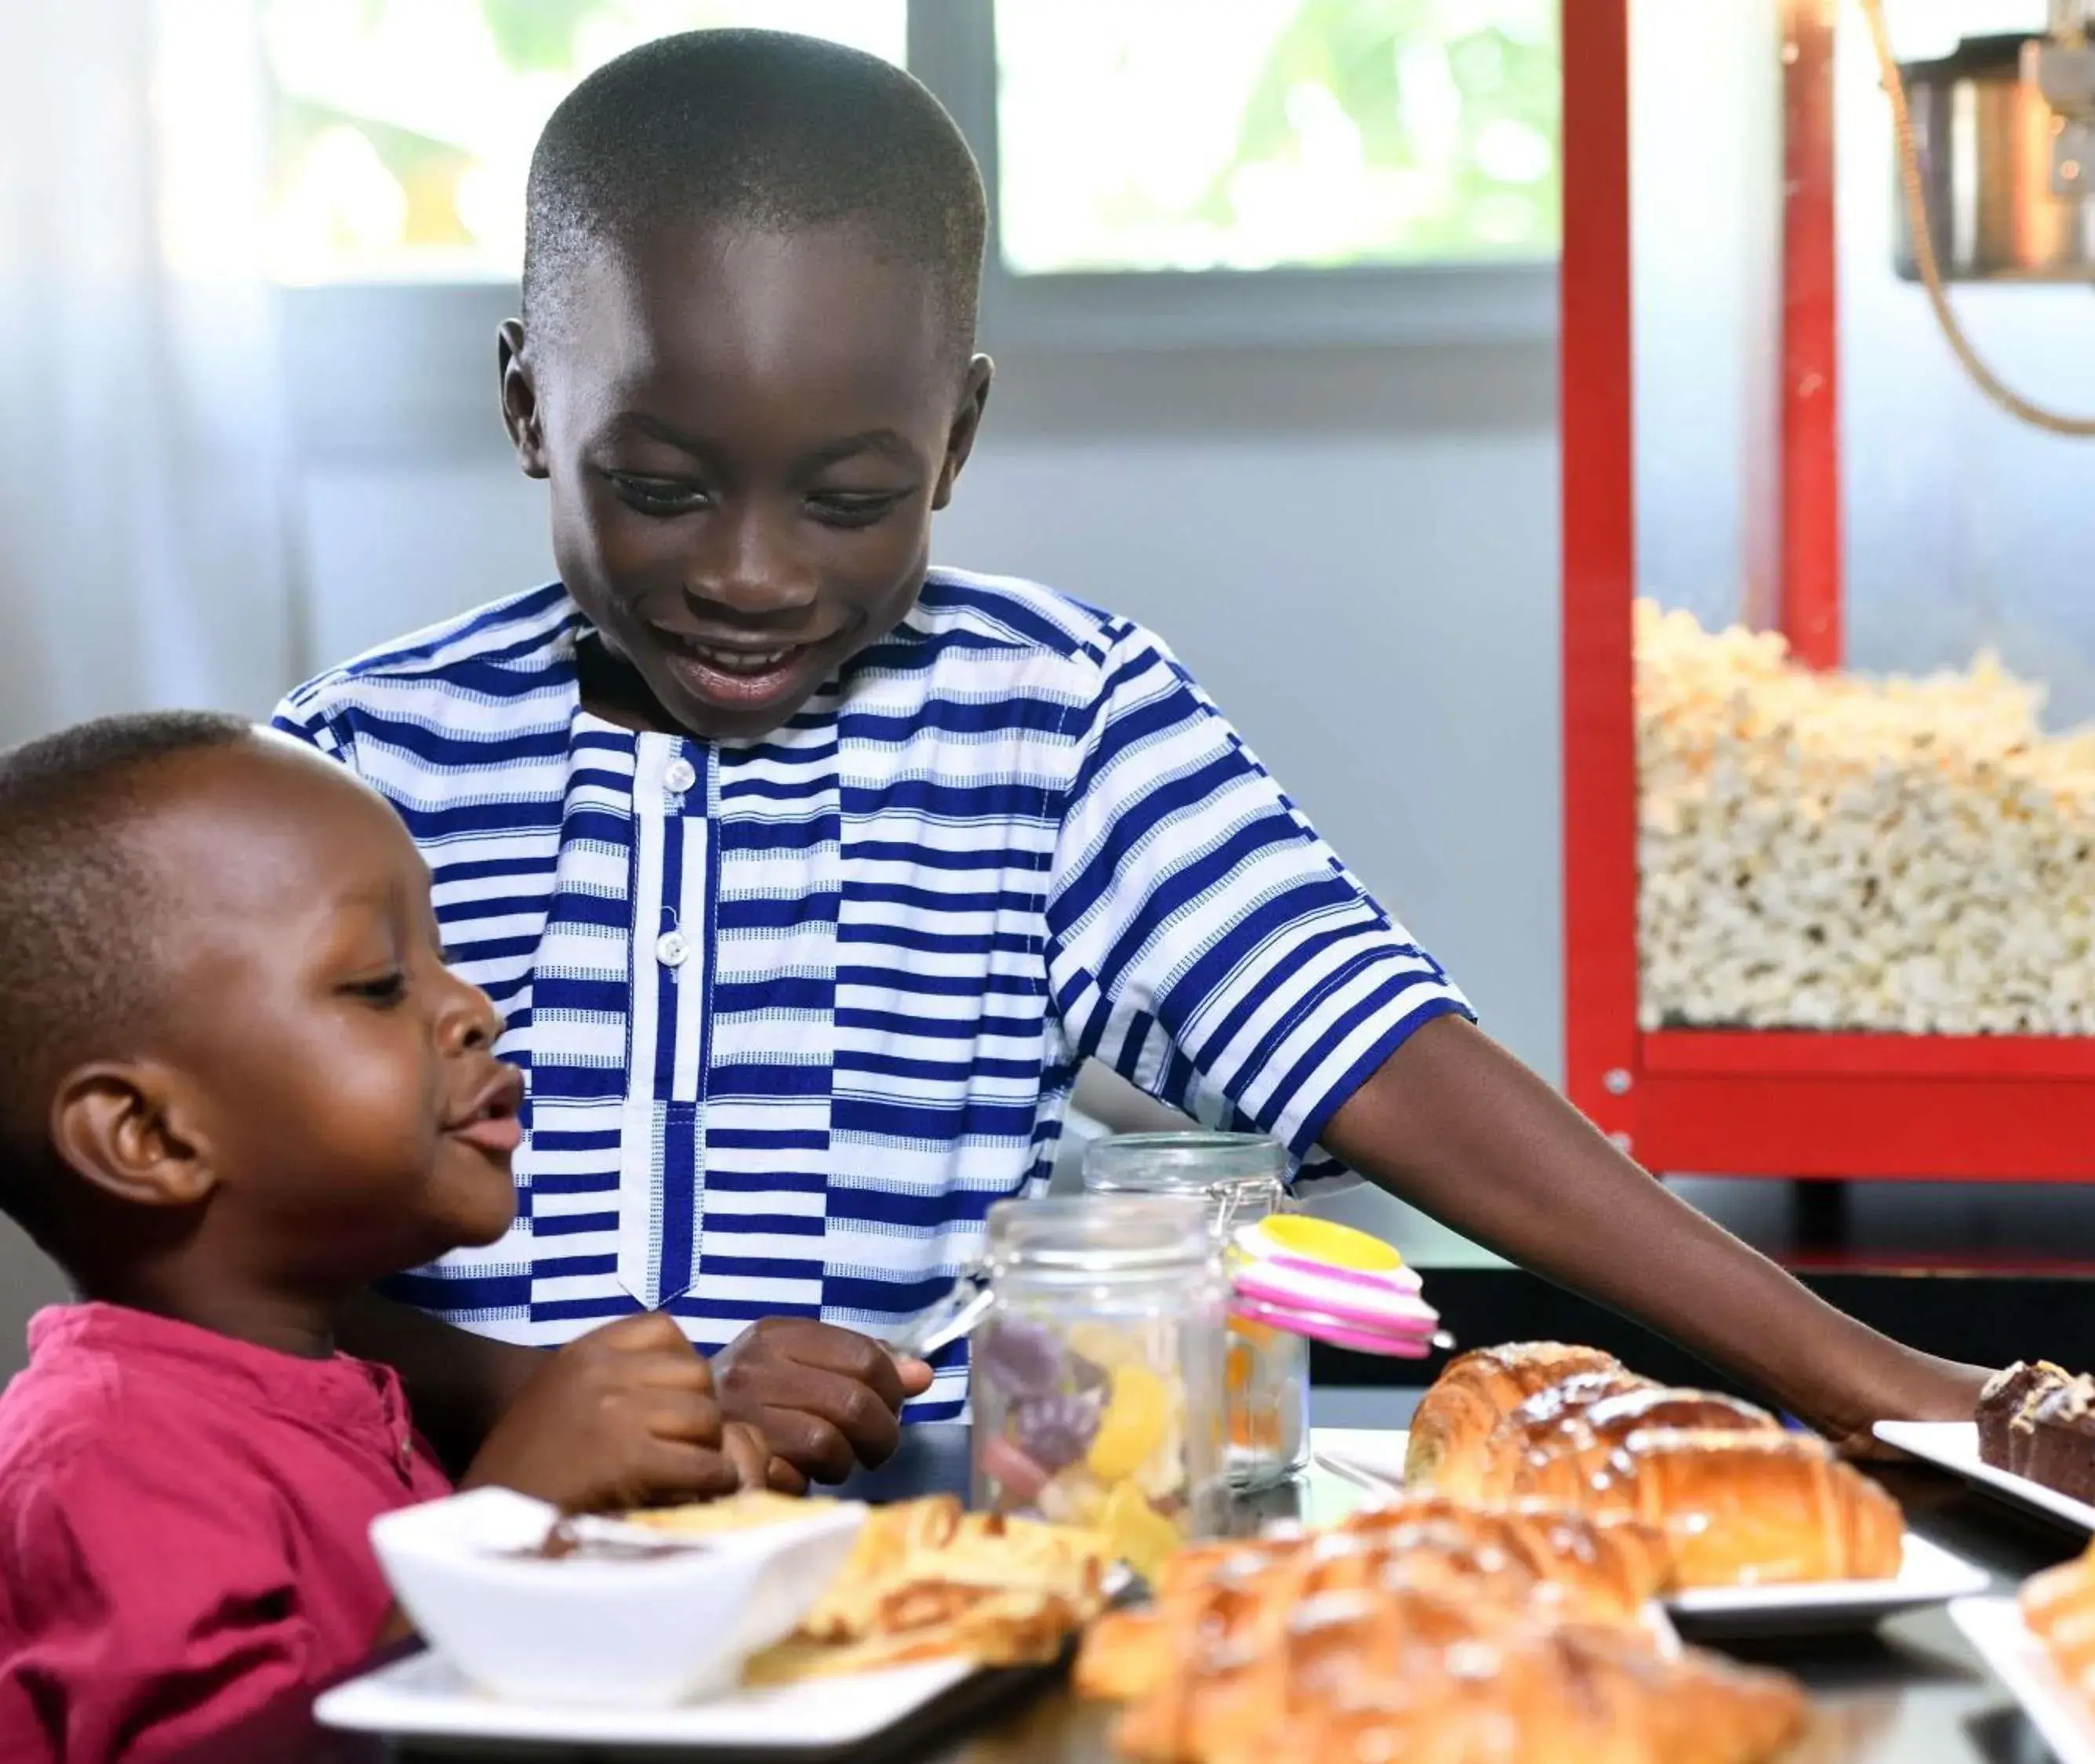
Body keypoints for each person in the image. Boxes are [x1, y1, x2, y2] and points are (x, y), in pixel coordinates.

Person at [272, 29, 1983, 1473]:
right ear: (528, 405)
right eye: (660, 488)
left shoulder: (1055, 717)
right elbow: (200, 1243)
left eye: (850, 501)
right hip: (423, 1579)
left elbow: (1384, 1055)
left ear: (955, 441)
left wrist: (1871, 1381)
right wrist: (516, 1396)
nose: (752, 573)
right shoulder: (353, 771)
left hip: (915, 1595)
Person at [0, 714, 793, 1763]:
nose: (475, 1009)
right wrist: (509, 1520)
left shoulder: (349, 1403)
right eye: (380, 984)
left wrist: (638, 1540)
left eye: (445, 960)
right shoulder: (110, 1457)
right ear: (148, 1135)